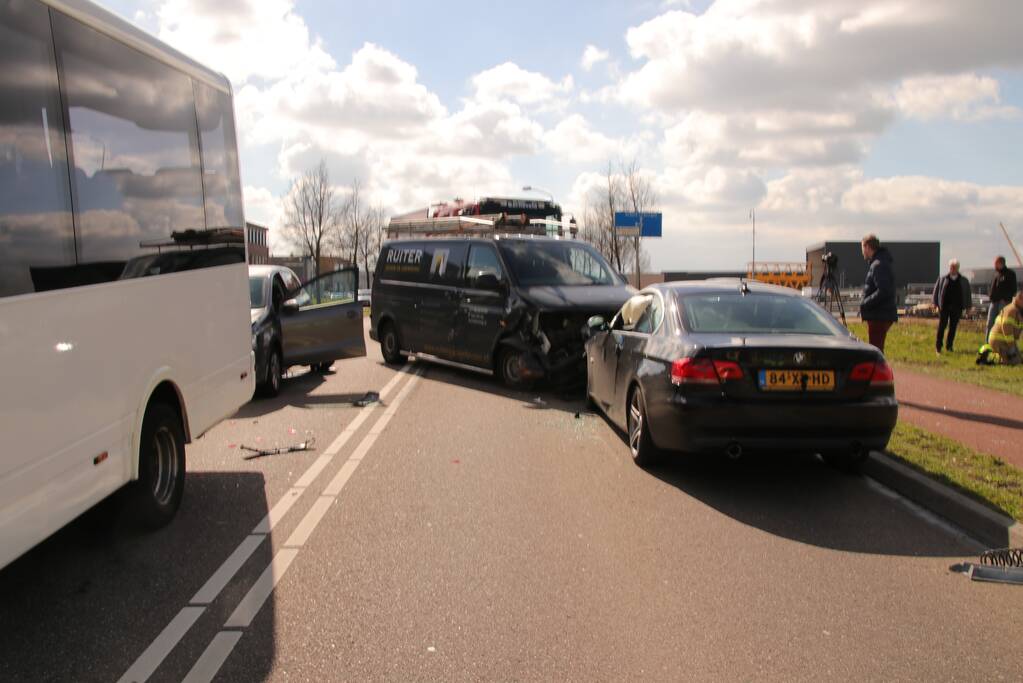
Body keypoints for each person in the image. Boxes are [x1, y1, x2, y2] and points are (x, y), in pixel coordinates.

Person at [859, 234, 898, 353]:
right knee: (876, 348)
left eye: (862, 248)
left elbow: (883, 290)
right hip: (881, 314)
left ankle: (878, 371)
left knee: (876, 350)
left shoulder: (878, 265)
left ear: (867, 247)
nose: (862, 252)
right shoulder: (880, 263)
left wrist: (865, 303)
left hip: (879, 315)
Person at [932, 258, 971, 354]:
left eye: (955, 267)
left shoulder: (964, 280)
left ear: (958, 268)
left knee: (953, 327)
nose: (953, 269)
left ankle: (949, 346)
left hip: (957, 307)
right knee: (942, 326)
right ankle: (938, 347)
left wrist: (968, 306)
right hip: (944, 307)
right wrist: (935, 303)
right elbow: (936, 291)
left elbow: (967, 294)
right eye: (951, 267)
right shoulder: (942, 278)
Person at [977, 291, 1023, 366]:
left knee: (1019, 361)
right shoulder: (1011, 310)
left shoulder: (1017, 310)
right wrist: (1011, 347)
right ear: (1020, 299)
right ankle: (989, 359)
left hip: (1006, 342)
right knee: (1013, 363)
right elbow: (1007, 330)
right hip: (999, 342)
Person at [987, 256, 1018, 336]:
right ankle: (988, 344)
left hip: (1003, 303)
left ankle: (1001, 343)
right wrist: (991, 296)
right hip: (994, 302)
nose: (994, 265)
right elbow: (992, 287)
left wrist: (1005, 299)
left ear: (1001, 263)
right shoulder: (995, 274)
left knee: (1002, 323)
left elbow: (1013, 289)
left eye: (996, 263)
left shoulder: (1010, 274)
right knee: (989, 323)